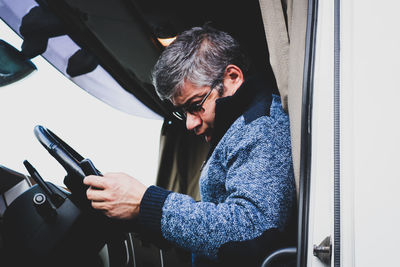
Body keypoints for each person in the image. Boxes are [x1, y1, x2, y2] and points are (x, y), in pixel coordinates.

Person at [84, 25, 296, 266]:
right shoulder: (239, 127)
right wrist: (142, 218)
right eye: (183, 112)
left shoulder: (261, 125)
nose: (190, 123)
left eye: (196, 105)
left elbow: (251, 231)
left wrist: (146, 203)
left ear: (233, 77)